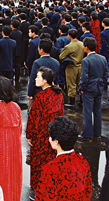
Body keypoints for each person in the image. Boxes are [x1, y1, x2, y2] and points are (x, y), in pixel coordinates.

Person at [26, 67, 65, 199]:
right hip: (54, 135)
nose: (35, 79)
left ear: (45, 80)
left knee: (38, 164)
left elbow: (33, 118)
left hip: (40, 135)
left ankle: (37, 189)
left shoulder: (40, 97)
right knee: (51, 162)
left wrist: (29, 135)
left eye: (38, 77)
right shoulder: (59, 95)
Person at [36, 116, 92, 201]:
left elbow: (43, 197)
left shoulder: (50, 168)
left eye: (51, 137)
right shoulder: (82, 161)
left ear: (56, 141)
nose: (49, 139)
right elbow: (88, 190)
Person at [78, 37, 108, 141]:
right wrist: (102, 84)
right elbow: (106, 73)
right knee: (97, 111)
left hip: (89, 89)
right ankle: (97, 132)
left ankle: (87, 133)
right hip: (99, 87)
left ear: (86, 47)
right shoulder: (102, 58)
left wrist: (81, 88)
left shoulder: (86, 60)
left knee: (87, 112)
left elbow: (84, 77)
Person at [59, 29, 84, 107]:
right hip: (80, 65)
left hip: (71, 67)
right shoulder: (82, 44)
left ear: (69, 36)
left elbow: (61, 56)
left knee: (71, 84)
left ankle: (72, 102)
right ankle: (81, 100)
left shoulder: (69, 46)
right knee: (79, 83)